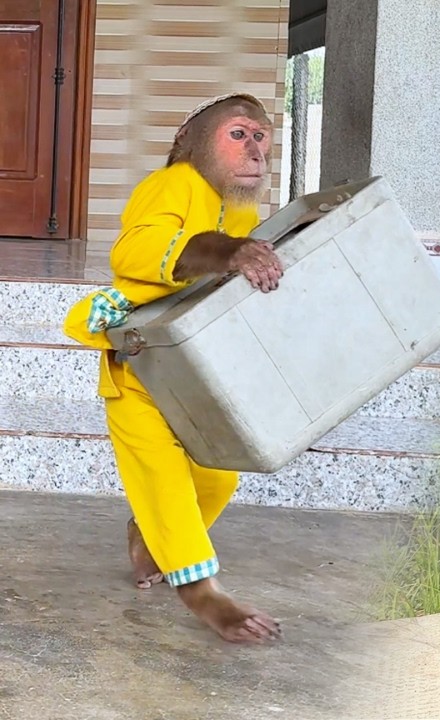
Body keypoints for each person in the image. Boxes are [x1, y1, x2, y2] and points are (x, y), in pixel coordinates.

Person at [62, 93, 286, 642]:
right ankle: (204, 595)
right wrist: (226, 251)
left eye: (260, 136)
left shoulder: (240, 207)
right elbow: (134, 253)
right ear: (191, 140)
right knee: (163, 479)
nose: (255, 149)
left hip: (188, 363)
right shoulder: (171, 184)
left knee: (217, 473)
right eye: (238, 135)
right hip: (137, 365)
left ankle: (148, 536)